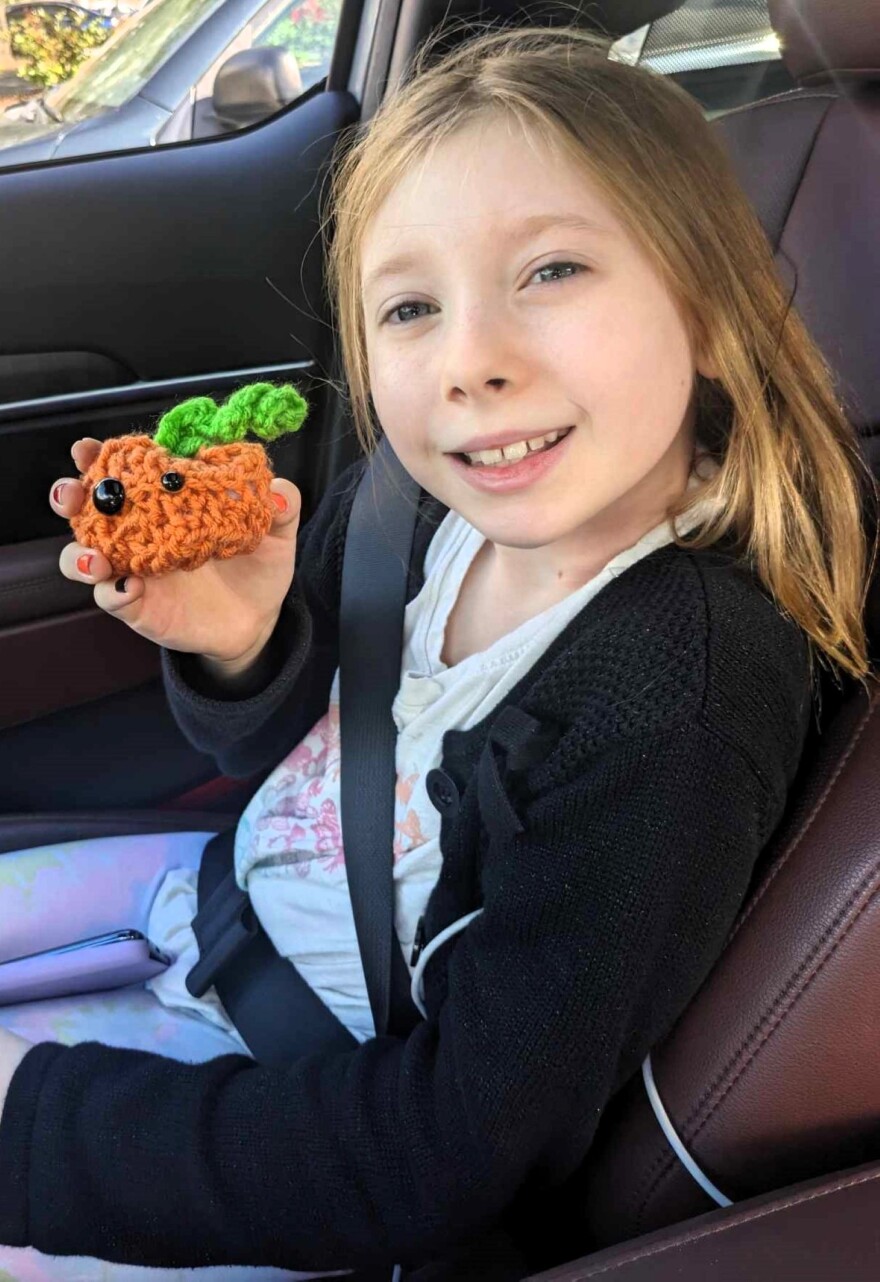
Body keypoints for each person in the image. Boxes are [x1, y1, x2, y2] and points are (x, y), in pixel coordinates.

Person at [0, 19, 874, 1282]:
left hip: (318, 1115)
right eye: (411, 306)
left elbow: (450, 1146)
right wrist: (247, 648)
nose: (470, 363)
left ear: (707, 300)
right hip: (205, 907)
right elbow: (297, 755)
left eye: (553, 271)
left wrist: (33, 1131)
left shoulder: (674, 687)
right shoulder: (414, 506)